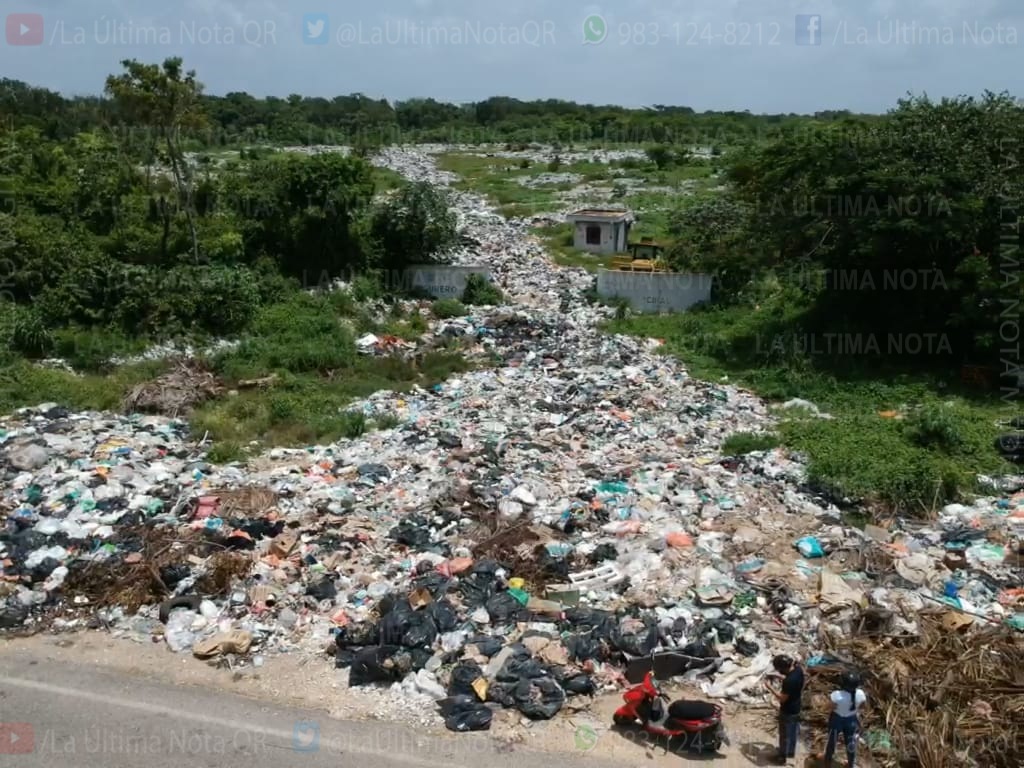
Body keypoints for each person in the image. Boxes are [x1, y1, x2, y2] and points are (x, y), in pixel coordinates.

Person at [764, 654, 804, 764]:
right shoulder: (798, 670)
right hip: (797, 706)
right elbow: (790, 679)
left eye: (780, 669)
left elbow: (782, 699)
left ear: (783, 668)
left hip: (788, 711)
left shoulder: (789, 682)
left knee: (784, 734)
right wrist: (778, 676)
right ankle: (790, 752)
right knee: (793, 732)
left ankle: (781, 757)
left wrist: (770, 687)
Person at [821, 670, 866, 768]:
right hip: (851, 719)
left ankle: (827, 762)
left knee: (831, 742)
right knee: (851, 742)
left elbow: (829, 707)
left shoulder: (837, 695)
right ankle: (850, 764)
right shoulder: (861, 694)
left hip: (837, 719)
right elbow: (862, 706)